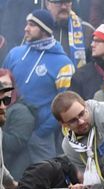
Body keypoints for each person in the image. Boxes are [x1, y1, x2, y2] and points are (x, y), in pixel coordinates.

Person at [6, 10, 78, 165]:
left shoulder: (64, 63)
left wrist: (42, 132)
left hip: (40, 136)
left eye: (32, 25)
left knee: (46, 177)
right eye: (27, 24)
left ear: (44, 29)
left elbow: (65, 102)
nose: (26, 28)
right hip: (11, 132)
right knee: (9, 181)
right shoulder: (14, 54)